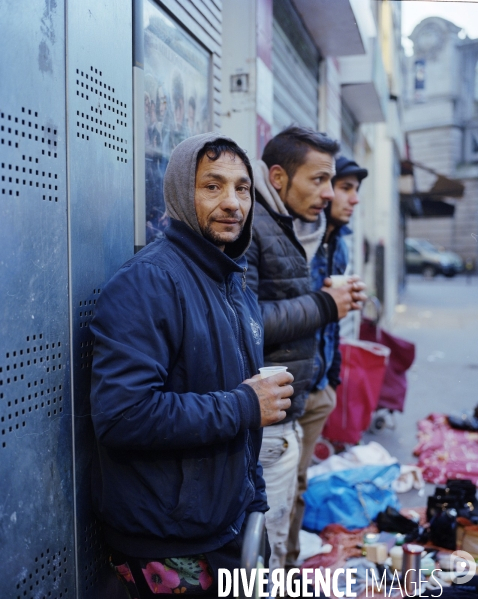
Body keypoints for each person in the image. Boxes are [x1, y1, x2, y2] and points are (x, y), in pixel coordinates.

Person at [89, 133, 294, 598]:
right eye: (212, 186)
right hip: (169, 539)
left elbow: (242, 411)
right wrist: (244, 405)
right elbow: (123, 415)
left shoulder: (232, 283)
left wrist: (253, 500)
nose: (232, 203)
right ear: (182, 191)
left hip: (226, 524)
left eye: (242, 188)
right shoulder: (149, 282)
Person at [245, 126, 361, 572]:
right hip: (265, 414)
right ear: (277, 178)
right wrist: (325, 304)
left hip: (292, 402)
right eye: (319, 180)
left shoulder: (290, 224)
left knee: (278, 532)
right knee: (262, 550)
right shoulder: (253, 226)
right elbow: (249, 322)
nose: (329, 194)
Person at [286, 155, 368, 568]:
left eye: (356, 190)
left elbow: (332, 324)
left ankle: (289, 569)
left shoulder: (341, 243)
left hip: (319, 387)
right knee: (284, 486)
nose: (351, 198)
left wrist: (333, 380)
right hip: (289, 389)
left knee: (299, 486)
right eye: (345, 187)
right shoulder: (299, 238)